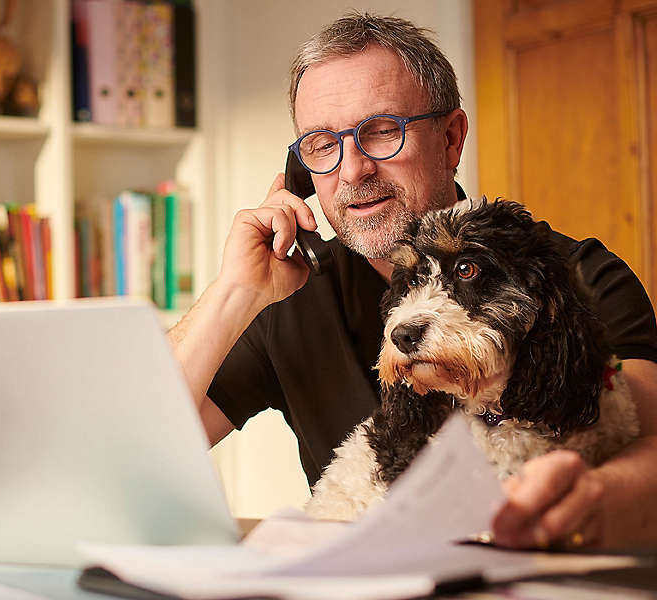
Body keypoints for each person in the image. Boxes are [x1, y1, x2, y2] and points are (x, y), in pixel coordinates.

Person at [169, 13, 657, 550]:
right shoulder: (289, 293)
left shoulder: (576, 277)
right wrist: (235, 291)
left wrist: (580, 502)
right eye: (322, 144)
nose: (352, 171)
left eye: (381, 131)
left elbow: (650, 445)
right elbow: (140, 439)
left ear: (451, 140)